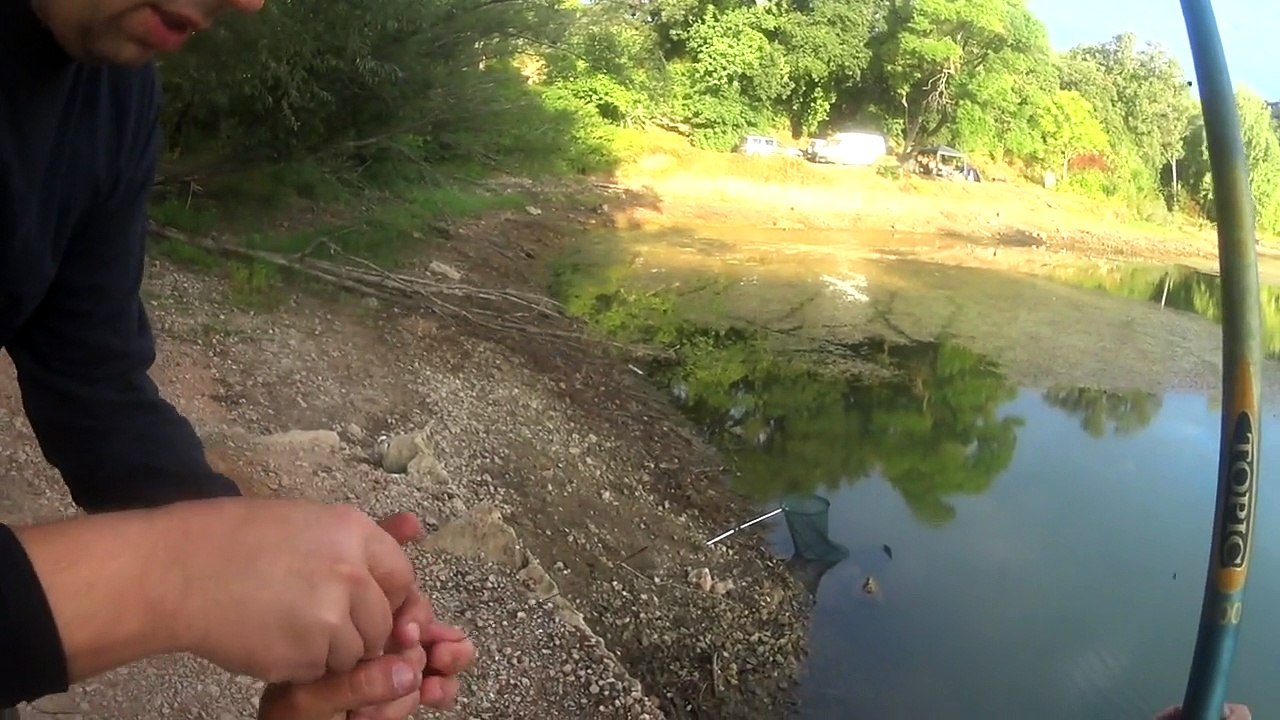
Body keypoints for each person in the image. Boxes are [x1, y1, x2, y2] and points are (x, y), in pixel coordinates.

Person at [1, 0, 474, 716]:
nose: (250, 1)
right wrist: (176, 574)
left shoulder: (115, 90)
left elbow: (92, 380)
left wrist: (280, 556)